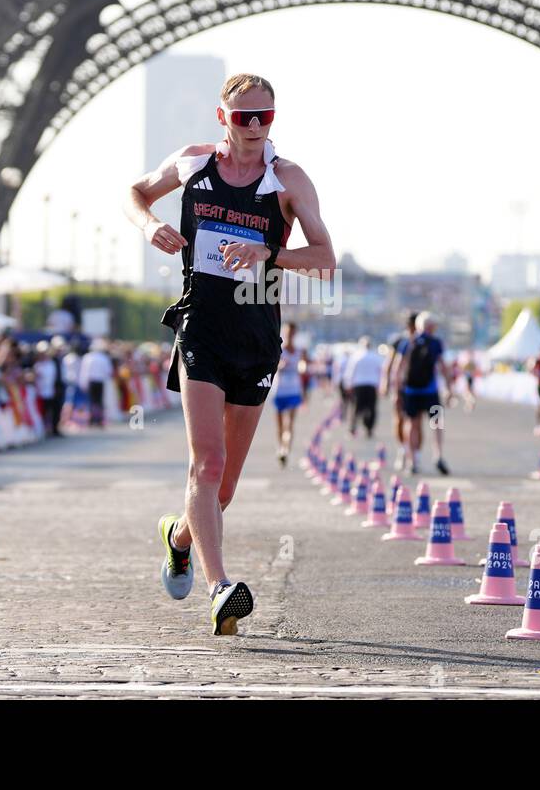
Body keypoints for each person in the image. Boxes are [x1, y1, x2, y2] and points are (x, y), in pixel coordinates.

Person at [125, 72, 335, 635]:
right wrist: (149, 226)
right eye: (243, 116)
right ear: (222, 117)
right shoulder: (194, 165)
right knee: (207, 462)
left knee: (224, 489)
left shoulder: (287, 180)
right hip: (201, 330)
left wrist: (268, 251)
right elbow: (136, 193)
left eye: (263, 117)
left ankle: (178, 538)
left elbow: (325, 259)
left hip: (257, 338)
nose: (253, 126)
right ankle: (221, 589)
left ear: (273, 118)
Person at [394, 311, 453, 476]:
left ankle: (412, 460)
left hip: (411, 391)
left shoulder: (407, 342)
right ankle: (438, 455)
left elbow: (398, 368)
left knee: (412, 424)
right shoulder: (436, 343)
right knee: (437, 423)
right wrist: (449, 389)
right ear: (431, 326)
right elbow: (443, 367)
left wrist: (397, 390)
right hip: (430, 391)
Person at [381, 312, 418, 470]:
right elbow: (389, 364)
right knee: (401, 420)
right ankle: (403, 449)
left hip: (415, 386)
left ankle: (414, 454)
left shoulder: (422, 341)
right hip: (401, 386)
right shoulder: (399, 341)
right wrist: (386, 382)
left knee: (414, 422)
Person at [270, 322, 305, 468]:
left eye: (292, 333)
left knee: (289, 424)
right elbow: (271, 366)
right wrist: (279, 366)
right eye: (287, 332)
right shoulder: (278, 350)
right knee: (279, 426)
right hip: (279, 391)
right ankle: (280, 448)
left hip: (293, 391)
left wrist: (303, 369)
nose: (290, 335)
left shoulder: (300, 351)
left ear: (295, 334)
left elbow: (304, 366)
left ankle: (285, 450)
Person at [344, 336, 382, 439]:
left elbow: (350, 372)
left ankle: (353, 428)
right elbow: (381, 372)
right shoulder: (376, 357)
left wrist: (348, 384)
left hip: (359, 385)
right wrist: (380, 385)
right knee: (371, 408)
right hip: (371, 385)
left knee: (356, 408)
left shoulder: (356, 356)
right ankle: (369, 428)